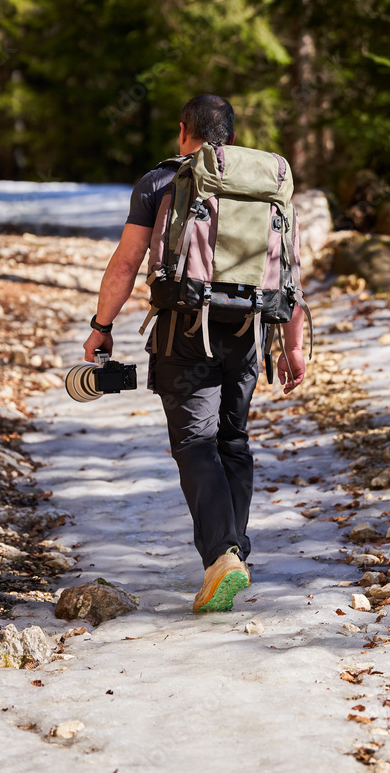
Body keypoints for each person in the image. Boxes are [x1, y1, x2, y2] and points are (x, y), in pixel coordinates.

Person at [83, 93, 306, 611]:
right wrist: (293, 343)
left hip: (185, 327)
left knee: (195, 442)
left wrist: (102, 326)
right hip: (250, 329)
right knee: (232, 438)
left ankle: (222, 557)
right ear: (229, 134)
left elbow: (127, 262)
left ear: (184, 130)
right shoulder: (264, 183)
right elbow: (291, 268)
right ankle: (232, 554)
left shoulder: (161, 181)